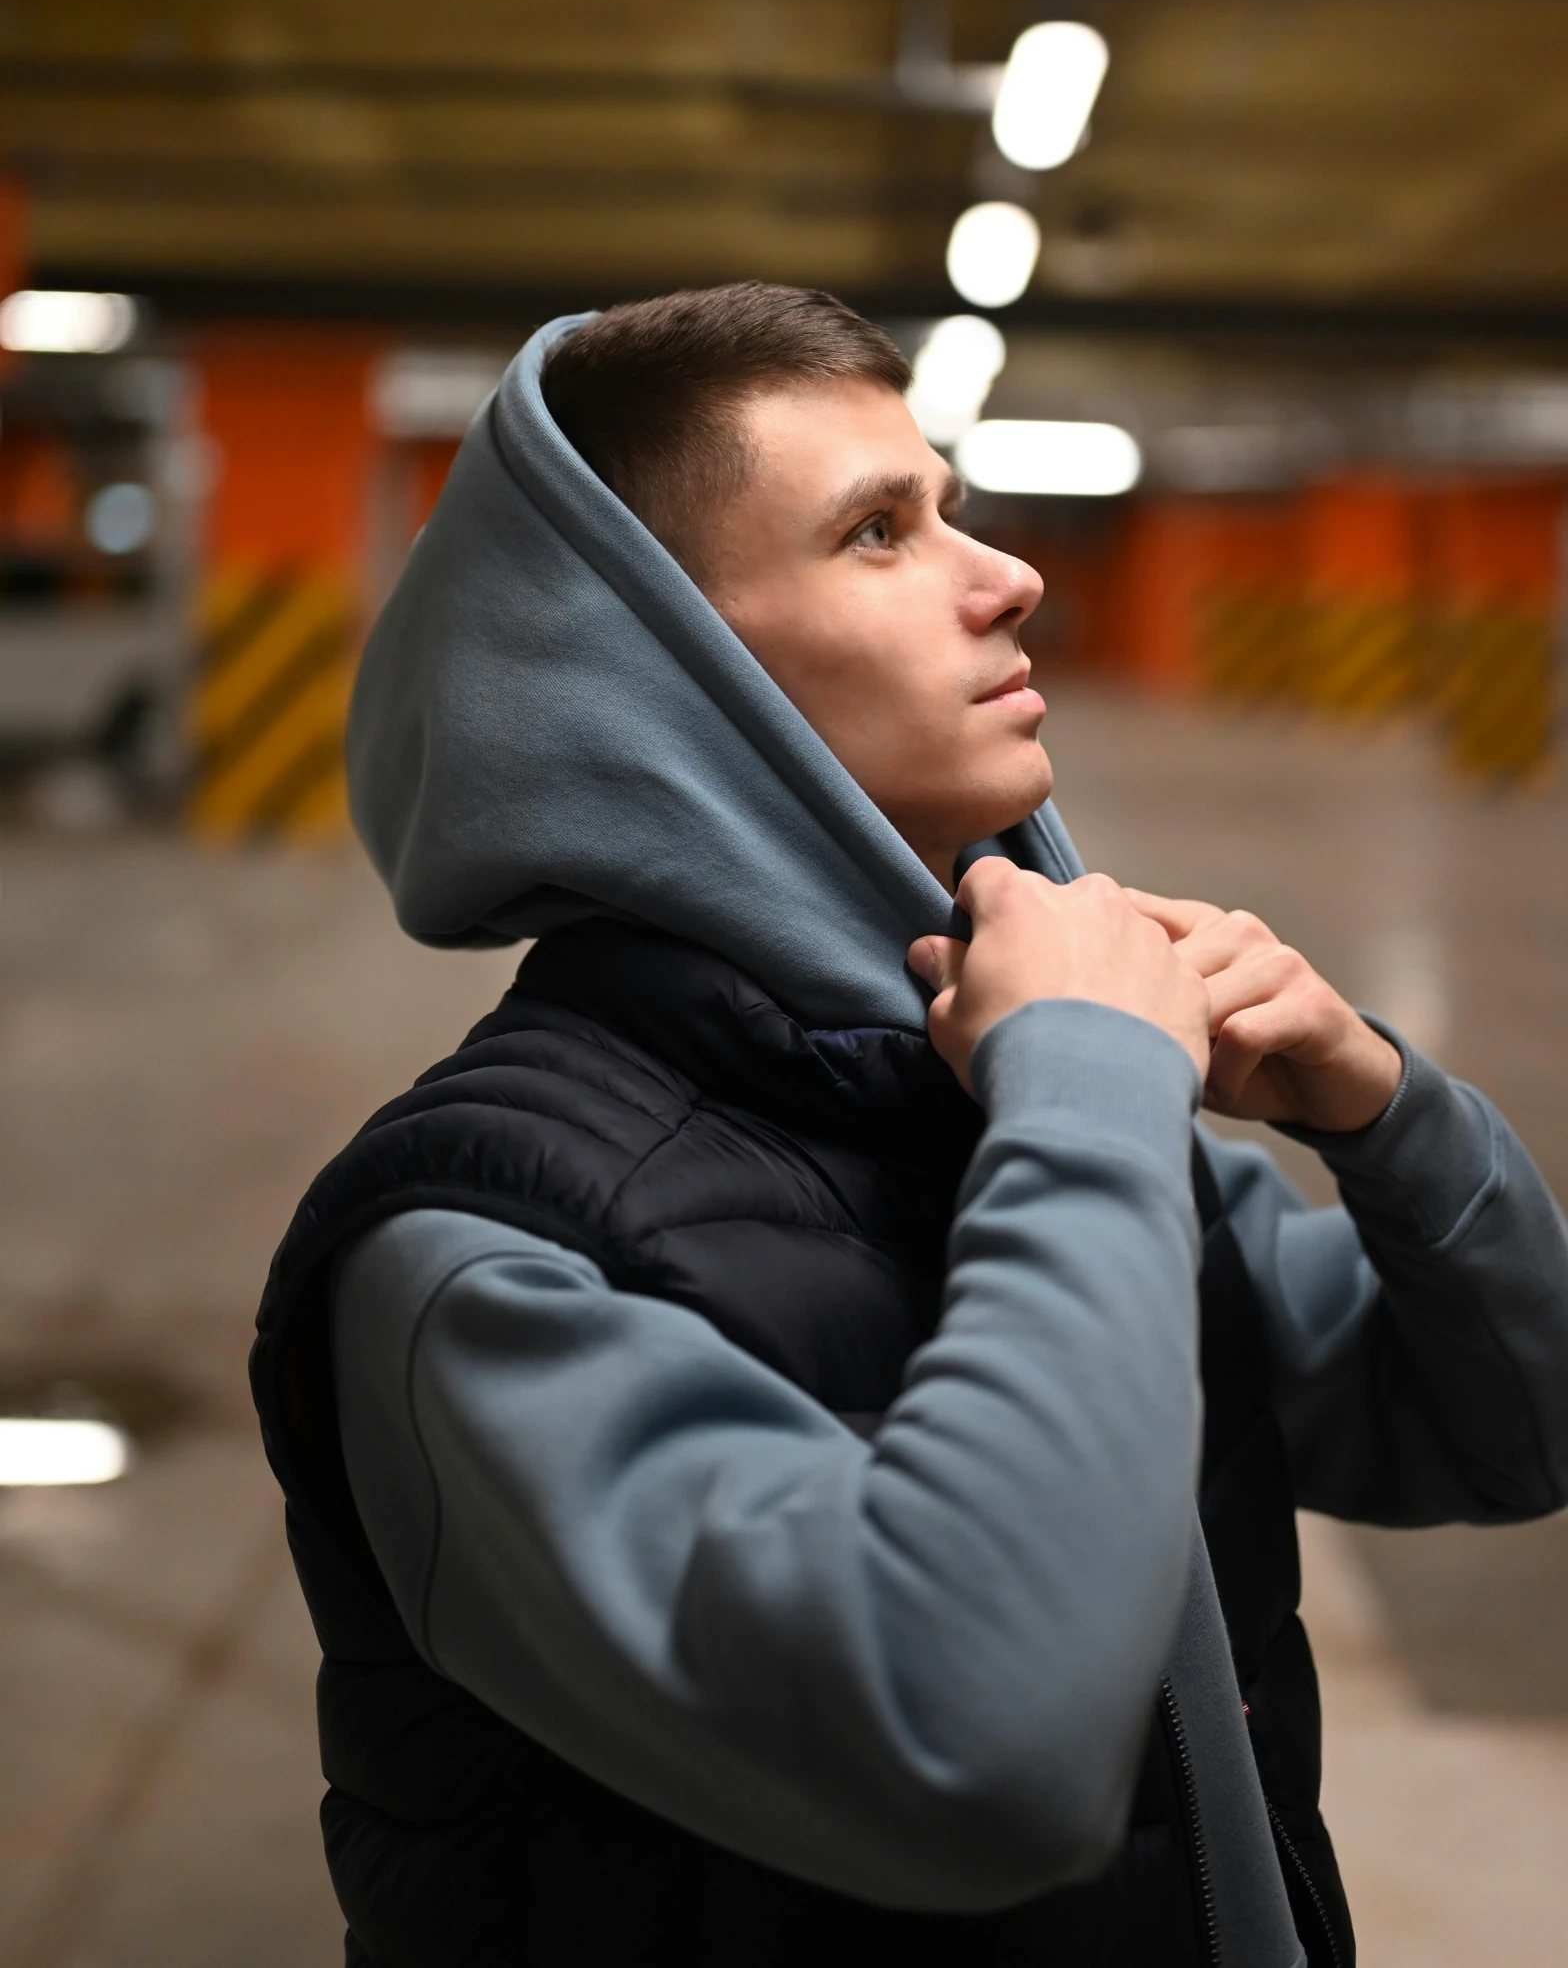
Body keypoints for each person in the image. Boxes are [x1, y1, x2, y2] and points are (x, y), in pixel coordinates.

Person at [252, 283, 1568, 1968]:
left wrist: (1386, 1111)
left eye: (946, 505)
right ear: (669, 680)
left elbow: (1504, 1431)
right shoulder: (483, 1257)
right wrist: (1086, 1090)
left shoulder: (984, 1092)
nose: (1008, 573)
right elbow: (973, 1750)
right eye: (880, 531)